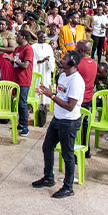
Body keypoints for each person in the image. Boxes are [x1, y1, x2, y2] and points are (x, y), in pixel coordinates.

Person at [32, 50, 84, 199]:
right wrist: (48, 92)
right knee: (47, 147)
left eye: (65, 58)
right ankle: (48, 178)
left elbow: (70, 106)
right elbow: (60, 95)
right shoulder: (62, 75)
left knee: (67, 154)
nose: (62, 59)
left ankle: (68, 187)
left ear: (72, 63)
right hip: (58, 118)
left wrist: (51, 96)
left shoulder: (76, 81)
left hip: (69, 121)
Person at [4, 30, 33, 137]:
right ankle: (20, 124)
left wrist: (14, 60)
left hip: (24, 79)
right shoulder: (17, 48)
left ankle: (25, 126)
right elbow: (14, 63)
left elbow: (25, 65)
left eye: (18, 36)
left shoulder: (28, 49)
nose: (16, 37)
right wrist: (10, 60)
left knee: (22, 103)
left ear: (24, 37)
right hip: (16, 79)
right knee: (19, 103)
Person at [32, 30, 54, 105]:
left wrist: (48, 60)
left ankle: (44, 104)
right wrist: (40, 61)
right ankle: (36, 103)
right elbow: (32, 59)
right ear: (38, 37)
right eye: (43, 37)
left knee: (45, 83)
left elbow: (52, 58)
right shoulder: (33, 47)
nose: (44, 38)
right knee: (37, 83)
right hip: (37, 69)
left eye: (45, 37)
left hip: (45, 69)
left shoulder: (48, 47)